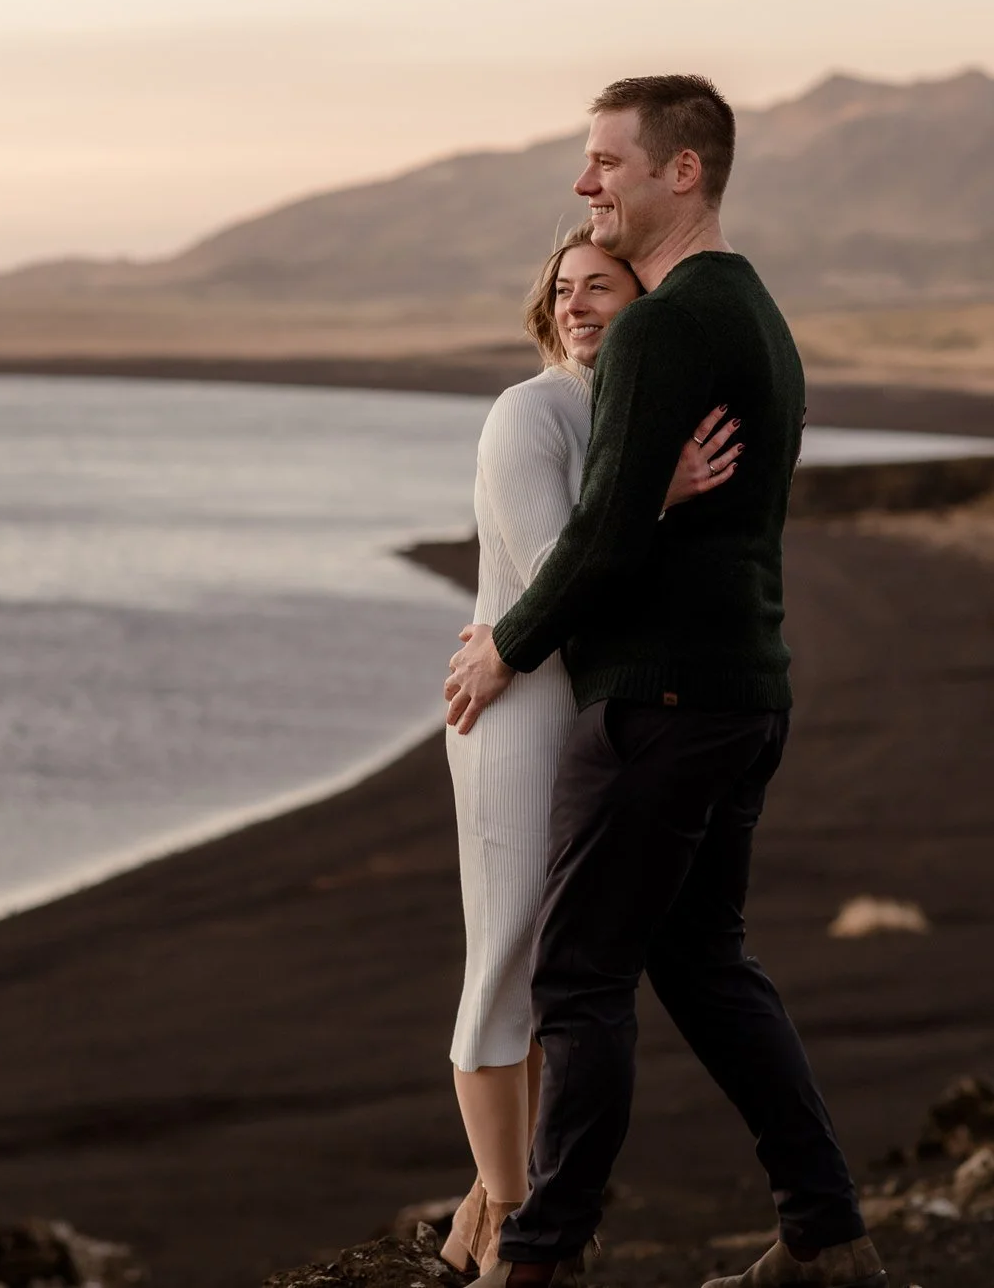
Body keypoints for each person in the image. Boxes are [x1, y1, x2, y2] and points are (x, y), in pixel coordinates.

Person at [444, 75, 885, 1288]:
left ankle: (533, 1260)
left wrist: (503, 644)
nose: (586, 185)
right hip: (746, 689)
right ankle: (824, 1233)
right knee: (702, 965)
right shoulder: (753, 310)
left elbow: (596, 537)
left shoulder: (663, 324)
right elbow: (645, 517)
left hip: (662, 702)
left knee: (578, 978)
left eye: (605, 162)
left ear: (679, 172)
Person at [439, 220, 739, 1275]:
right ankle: (510, 1220)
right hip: (514, 707)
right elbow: (552, 568)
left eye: (600, 286)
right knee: (508, 954)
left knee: (552, 960)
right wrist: (654, 499)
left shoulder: (623, 416)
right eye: (562, 289)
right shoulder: (532, 411)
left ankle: (507, 1211)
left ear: (643, 304)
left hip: (586, 708)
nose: (575, 304)